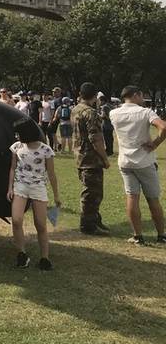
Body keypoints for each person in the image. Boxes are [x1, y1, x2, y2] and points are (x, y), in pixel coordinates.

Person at [109, 86, 166, 244]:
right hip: (145, 161)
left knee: (132, 197)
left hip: (125, 161)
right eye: (142, 95)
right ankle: (161, 235)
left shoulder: (113, 113)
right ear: (136, 95)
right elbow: (163, 126)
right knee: (153, 199)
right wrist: (155, 143)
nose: (143, 99)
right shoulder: (145, 112)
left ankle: (137, 236)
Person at [7, 119, 61, 270]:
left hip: (38, 187)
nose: (16, 136)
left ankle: (45, 258)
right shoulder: (17, 147)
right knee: (16, 220)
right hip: (20, 186)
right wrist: (10, 188)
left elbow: (51, 174)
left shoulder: (46, 150)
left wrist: (56, 195)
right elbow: (12, 168)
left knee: (40, 224)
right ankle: (21, 254)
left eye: (18, 133)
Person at [71, 82, 111, 235]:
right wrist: (105, 159)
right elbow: (96, 139)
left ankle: (95, 220)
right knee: (92, 194)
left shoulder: (76, 110)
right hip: (91, 159)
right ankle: (88, 226)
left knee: (92, 192)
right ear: (94, 96)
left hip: (80, 157)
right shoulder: (90, 112)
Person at [98, 92, 115, 156]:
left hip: (105, 124)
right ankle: (111, 150)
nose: (99, 102)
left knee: (106, 138)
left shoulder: (104, 107)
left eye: (99, 101)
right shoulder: (110, 105)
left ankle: (108, 151)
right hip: (111, 125)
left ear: (102, 101)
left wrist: (98, 115)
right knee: (110, 138)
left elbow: (103, 116)